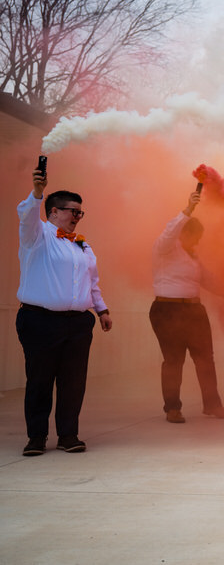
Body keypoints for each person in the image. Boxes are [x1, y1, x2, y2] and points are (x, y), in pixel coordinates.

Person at [16, 165, 112, 456]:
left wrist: (101, 309)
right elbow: (27, 217)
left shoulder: (82, 244)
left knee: (73, 382)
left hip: (78, 324)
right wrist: (37, 193)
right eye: (72, 211)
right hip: (40, 321)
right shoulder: (37, 237)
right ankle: (36, 437)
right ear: (54, 212)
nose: (77, 217)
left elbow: (91, 280)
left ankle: (68, 435)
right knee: (40, 380)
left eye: (80, 212)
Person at [149, 190, 224, 423]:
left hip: (194, 311)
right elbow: (170, 231)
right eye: (195, 236)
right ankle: (173, 408)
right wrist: (188, 210)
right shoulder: (165, 248)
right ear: (184, 233)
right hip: (168, 311)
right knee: (174, 360)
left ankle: (212, 405)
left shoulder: (193, 257)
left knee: (205, 359)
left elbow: (208, 280)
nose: (198, 241)